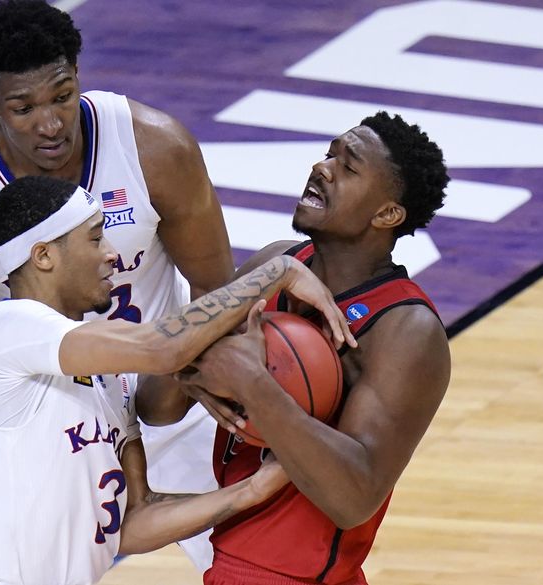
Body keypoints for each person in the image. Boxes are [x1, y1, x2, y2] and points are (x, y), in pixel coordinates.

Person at [0, 0, 234, 559]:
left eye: (63, 96)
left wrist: (183, 385)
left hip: (180, 385)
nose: (49, 125)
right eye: (22, 108)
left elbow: (217, 289)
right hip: (59, 415)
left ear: (79, 75)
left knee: (260, 561)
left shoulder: (156, 147)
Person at [0, 174, 351, 585]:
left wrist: (249, 491)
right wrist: (276, 274)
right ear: (43, 256)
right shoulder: (5, 327)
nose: (113, 255)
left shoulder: (112, 375)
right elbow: (162, 349)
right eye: (95, 239)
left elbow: (133, 519)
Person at [137, 111, 452, 584]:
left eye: (348, 167)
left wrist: (252, 382)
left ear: (387, 214)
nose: (322, 168)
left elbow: (354, 498)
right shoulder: (276, 264)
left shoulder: (406, 330)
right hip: (227, 560)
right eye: (328, 154)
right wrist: (191, 357)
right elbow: (157, 408)